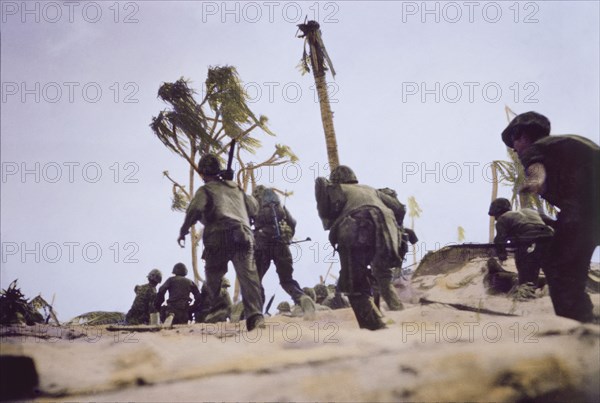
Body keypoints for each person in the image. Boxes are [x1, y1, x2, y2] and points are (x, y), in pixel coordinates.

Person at [501, 111, 600, 322]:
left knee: (558, 266)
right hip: (589, 210)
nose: (514, 150)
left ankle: (580, 323)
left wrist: (533, 183)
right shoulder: (568, 144)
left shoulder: (535, 149)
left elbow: (536, 170)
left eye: (514, 142)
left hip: (584, 211)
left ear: (522, 135)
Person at [178, 154, 266, 331]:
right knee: (249, 277)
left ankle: (219, 306)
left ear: (202, 173)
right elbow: (253, 207)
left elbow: (195, 208)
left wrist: (184, 229)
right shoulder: (236, 188)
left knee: (213, 273)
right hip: (243, 234)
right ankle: (255, 316)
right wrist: (236, 188)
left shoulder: (206, 190)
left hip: (217, 235)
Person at [315, 165, 403, 330]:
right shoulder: (370, 189)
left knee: (353, 284)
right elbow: (399, 208)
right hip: (386, 233)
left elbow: (327, 214)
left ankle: (375, 327)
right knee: (382, 276)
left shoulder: (337, 188)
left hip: (356, 230)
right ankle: (398, 313)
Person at [252, 186, 316, 319]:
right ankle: (303, 298)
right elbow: (292, 223)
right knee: (287, 280)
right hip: (281, 245)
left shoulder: (254, 206)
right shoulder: (280, 208)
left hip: (261, 246)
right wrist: (288, 237)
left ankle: (256, 311)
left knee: (255, 281)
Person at [488, 197, 554, 289]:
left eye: (495, 215)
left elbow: (499, 240)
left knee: (527, 282)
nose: (495, 219)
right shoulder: (531, 212)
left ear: (498, 212)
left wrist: (501, 254)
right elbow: (551, 222)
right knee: (553, 277)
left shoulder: (503, 218)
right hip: (549, 241)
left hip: (528, 243)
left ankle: (527, 294)